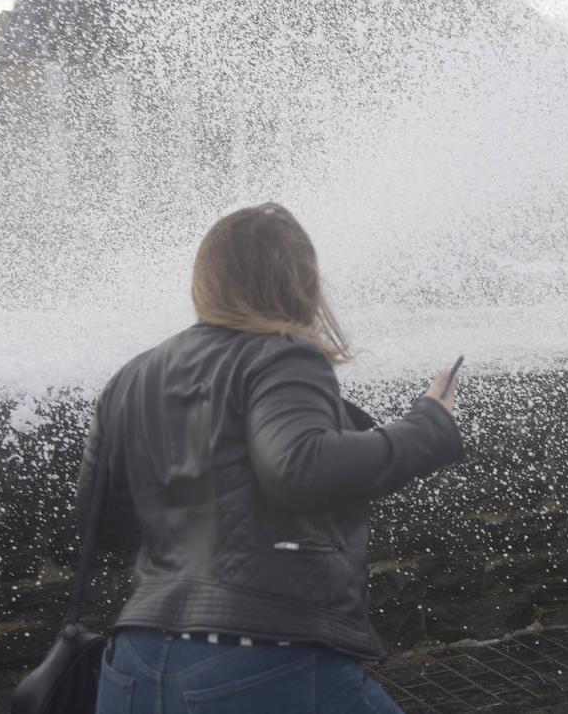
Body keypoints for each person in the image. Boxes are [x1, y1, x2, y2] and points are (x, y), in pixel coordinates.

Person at [77, 203, 464, 713]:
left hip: (135, 664)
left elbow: (99, 520)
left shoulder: (134, 375)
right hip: (258, 662)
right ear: (298, 281)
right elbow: (301, 467)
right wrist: (431, 424)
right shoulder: (281, 354)